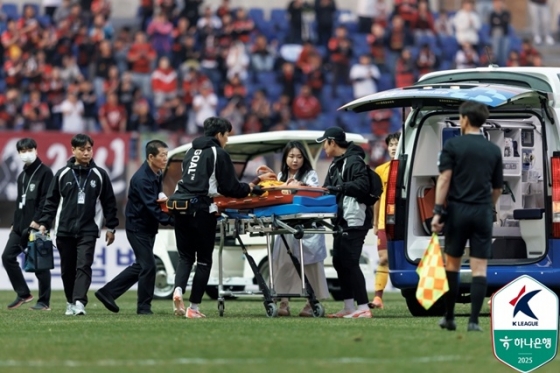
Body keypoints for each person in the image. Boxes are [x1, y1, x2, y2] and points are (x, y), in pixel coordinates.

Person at [169, 117, 265, 318]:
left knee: (185, 257)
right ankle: (193, 308)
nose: (227, 140)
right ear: (219, 134)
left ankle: (178, 290)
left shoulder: (190, 151)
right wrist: (251, 188)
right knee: (203, 260)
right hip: (202, 209)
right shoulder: (218, 153)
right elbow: (229, 187)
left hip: (179, 206)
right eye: (227, 135)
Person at [431, 101, 503, 332]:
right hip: (482, 211)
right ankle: (474, 321)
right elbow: (498, 188)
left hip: (458, 211)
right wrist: (487, 207)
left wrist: (437, 211)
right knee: (479, 268)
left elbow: (444, 179)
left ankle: (449, 317)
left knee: (452, 264)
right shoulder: (493, 150)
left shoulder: (453, 145)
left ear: (464, 119)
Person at [38, 134, 119, 316]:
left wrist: (111, 227)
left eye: (89, 149)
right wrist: (44, 223)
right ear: (73, 150)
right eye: (81, 149)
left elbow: (109, 203)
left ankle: (79, 302)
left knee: (84, 265)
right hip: (64, 230)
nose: (86, 153)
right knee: (67, 270)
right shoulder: (62, 174)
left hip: (88, 230)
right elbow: (50, 202)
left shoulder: (100, 175)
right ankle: (70, 301)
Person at [95, 140, 174, 315]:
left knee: (142, 265)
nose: (165, 158)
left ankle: (108, 292)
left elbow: (156, 199)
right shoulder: (142, 178)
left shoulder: (156, 173)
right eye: (162, 155)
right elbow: (151, 207)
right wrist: (174, 221)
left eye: (166, 155)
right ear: (150, 156)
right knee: (149, 266)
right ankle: (143, 307)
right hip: (137, 227)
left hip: (147, 226)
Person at [257, 141, 330, 317]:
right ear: (285, 158)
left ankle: (310, 303)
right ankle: (283, 302)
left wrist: (295, 186)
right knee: (283, 264)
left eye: (298, 156)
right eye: (291, 156)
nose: (295, 160)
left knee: (311, 266)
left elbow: (314, 193)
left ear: (303, 158)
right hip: (285, 227)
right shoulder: (281, 175)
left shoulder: (310, 174)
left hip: (307, 228)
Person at [317, 126, 374, 318]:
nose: (324, 147)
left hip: (355, 219)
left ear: (332, 142)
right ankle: (349, 306)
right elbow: (328, 189)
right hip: (341, 219)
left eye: (325, 143)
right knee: (339, 262)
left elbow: (362, 186)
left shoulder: (354, 161)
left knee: (350, 261)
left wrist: (340, 187)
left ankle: (364, 307)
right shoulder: (335, 164)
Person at [2, 138, 54, 311]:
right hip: (20, 226)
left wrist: (40, 221)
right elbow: (20, 202)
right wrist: (14, 222)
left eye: (29, 149)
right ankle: (23, 293)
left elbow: (47, 200)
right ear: (18, 153)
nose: (26, 153)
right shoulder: (21, 176)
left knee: (40, 264)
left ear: (36, 150)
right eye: (22, 151)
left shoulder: (45, 172)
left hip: (37, 225)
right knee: (7, 257)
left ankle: (44, 301)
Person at [370, 132, 400, 309]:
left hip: (404, 224)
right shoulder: (381, 170)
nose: (394, 147)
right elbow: (377, 199)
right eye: (391, 145)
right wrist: (375, 223)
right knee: (383, 259)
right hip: (384, 222)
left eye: (397, 144)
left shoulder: (410, 167)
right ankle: (378, 298)